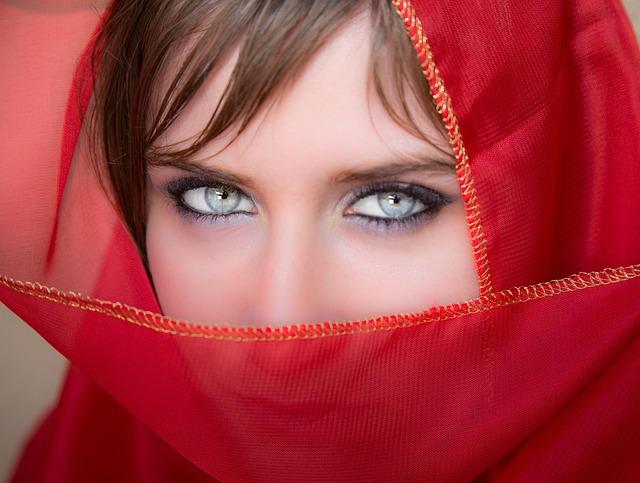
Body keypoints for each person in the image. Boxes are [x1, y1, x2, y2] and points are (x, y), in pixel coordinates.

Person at [1, 0, 639, 481]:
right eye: (214, 197)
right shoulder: (97, 448)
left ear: (554, 187)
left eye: (391, 203)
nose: (282, 318)